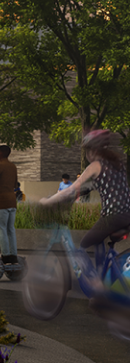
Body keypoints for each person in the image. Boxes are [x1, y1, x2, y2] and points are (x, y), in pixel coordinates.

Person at [37, 130, 130, 331]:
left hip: (112, 217)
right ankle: (106, 279)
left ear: (92, 150)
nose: (86, 154)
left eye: (87, 150)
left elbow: (71, 189)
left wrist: (47, 201)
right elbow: (103, 187)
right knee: (99, 243)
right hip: (127, 215)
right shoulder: (117, 164)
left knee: (82, 246)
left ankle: (98, 291)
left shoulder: (95, 165)